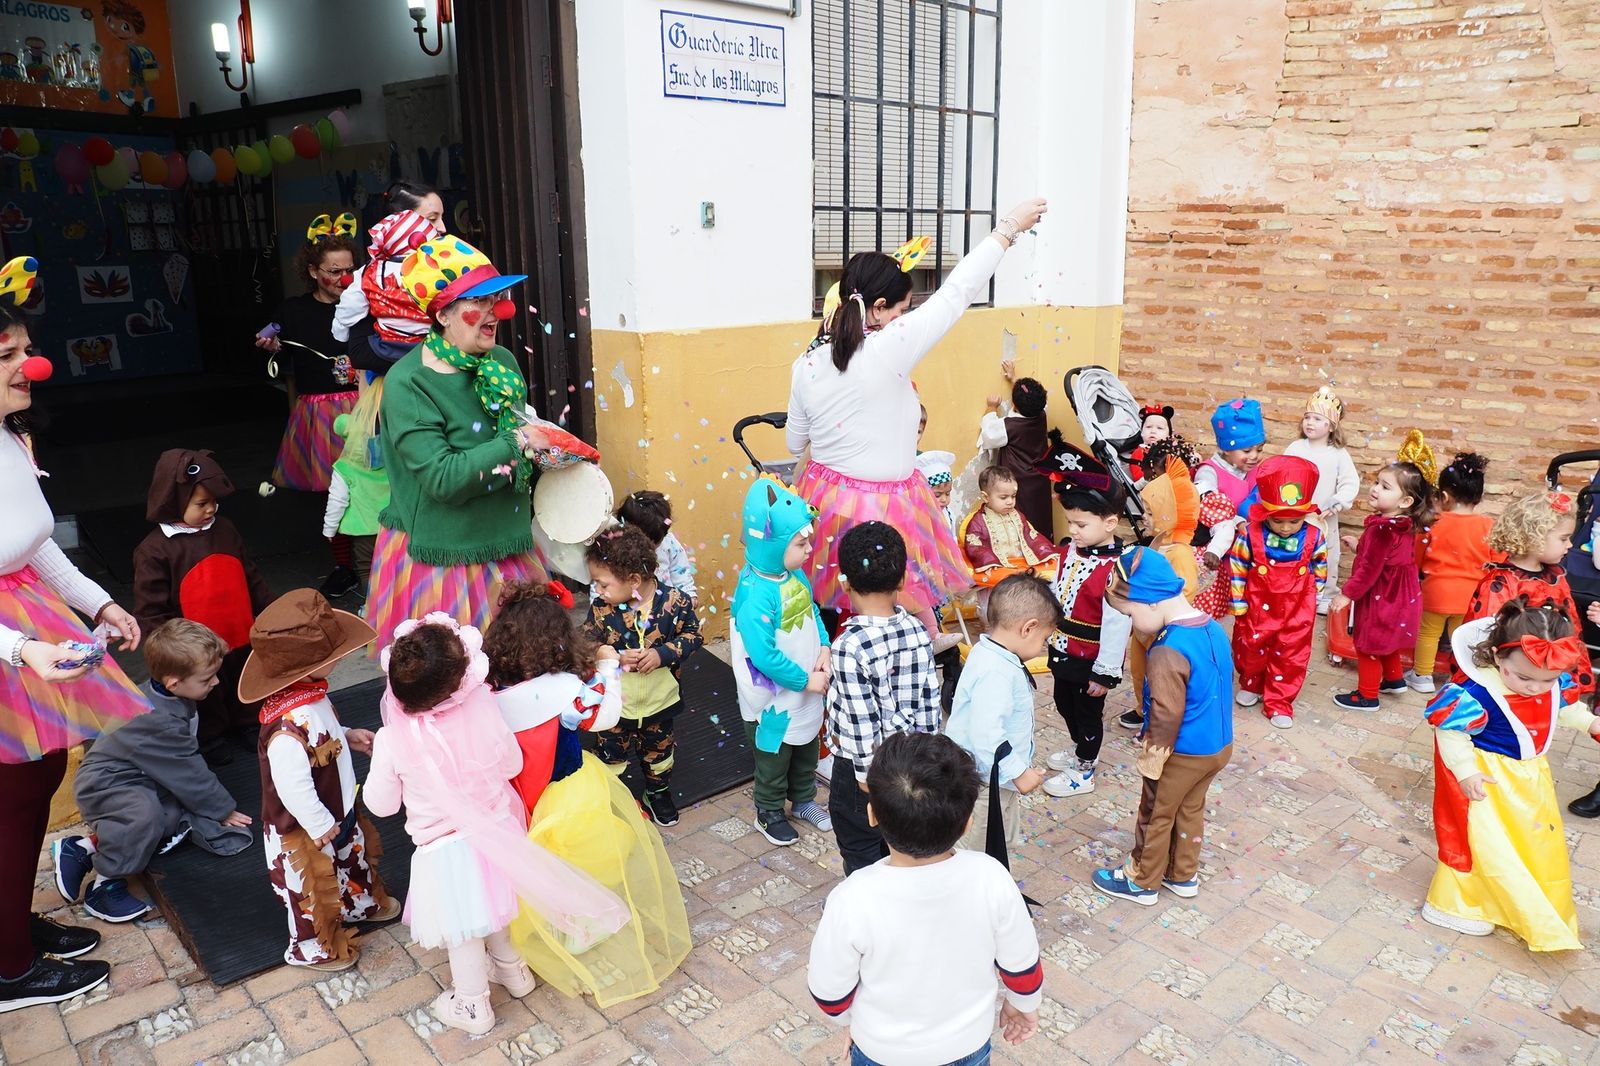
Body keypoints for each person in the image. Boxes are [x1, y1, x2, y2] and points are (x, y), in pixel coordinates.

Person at [786, 199, 1049, 644]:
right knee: (886, 616)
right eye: (902, 310)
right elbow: (956, 293)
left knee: (835, 615)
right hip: (884, 508)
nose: (904, 320)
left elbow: (796, 444)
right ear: (880, 307)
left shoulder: (807, 362)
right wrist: (1007, 229)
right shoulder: (890, 347)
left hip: (825, 501)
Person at [0, 257, 144, 1011]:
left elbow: (38, 542)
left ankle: (10, 934)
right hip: (7, 640)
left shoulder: (10, 435)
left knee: (34, 784)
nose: (32, 365)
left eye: (25, 349)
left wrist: (98, 603)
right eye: (8, 357)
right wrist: (20, 649)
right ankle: (10, 971)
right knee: (14, 794)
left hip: (29, 620)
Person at [484, 583, 691, 1006]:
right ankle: (583, 924)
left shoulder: (493, 696)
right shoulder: (565, 688)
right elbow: (606, 716)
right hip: (570, 792)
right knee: (586, 857)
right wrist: (608, 667)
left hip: (521, 795)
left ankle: (551, 928)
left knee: (539, 864)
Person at [807, 732, 1041, 1065]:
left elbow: (829, 993)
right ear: (967, 824)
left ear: (872, 815)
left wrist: (856, 1025)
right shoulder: (991, 878)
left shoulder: (852, 898)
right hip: (967, 1047)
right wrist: (1023, 1004)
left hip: (881, 1052)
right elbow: (1022, 964)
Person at [367, 236, 549, 651]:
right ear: (444, 314)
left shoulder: (500, 361)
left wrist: (550, 449)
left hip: (507, 541)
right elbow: (442, 478)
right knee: (456, 678)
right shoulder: (407, 382)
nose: (496, 311)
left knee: (520, 674)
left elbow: (515, 446)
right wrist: (519, 440)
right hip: (444, 554)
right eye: (478, 300)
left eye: (496, 297)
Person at [1421, 600, 1598, 950]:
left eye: (1546, 680)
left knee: (1528, 841)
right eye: (1524, 677)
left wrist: (1590, 722)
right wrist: (1466, 772)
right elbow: (1451, 734)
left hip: (1531, 780)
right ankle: (1459, 904)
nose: (1535, 688)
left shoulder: (1550, 683)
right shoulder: (1473, 693)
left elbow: (1565, 709)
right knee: (1482, 844)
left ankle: (1514, 897)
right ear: (1499, 657)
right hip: (1488, 782)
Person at [56, 620, 252, 924]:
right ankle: (105, 884)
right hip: (106, 783)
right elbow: (187, 771)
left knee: (172, 811)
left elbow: (180, 765)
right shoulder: (157, 719)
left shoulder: (170, 696)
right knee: (144, 816)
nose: (215, 683)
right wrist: (222, 809)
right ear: (174, 682)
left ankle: (84, 847)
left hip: (137, 774)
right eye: (207, 678)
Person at [243, 589, 397, 971]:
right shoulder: (284, 731)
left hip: (337, 810)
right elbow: (292, 786)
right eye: (333, 656)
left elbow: (322, 733)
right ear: (304, 668)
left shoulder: (310, 698)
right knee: (310, 889)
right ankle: (310, 947)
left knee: (351, 860)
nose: (341, 658)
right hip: (304, 831)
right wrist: (317, 824)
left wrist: (346, 734)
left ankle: (359, 905)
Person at [1092, 548, 1234, 905]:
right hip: (1217, 746)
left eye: (1130, 614)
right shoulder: (1212, 627)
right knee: (1190, 808)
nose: (1131, 624)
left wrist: (1152, 757)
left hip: (1181, 751)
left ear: (1151, 603)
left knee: (1156, 812)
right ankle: (1182, 873)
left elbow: (1166, 712)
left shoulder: (1166, 649)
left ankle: (1142, 880)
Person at [132, 448, 273, 761]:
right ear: (174, 500)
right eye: (201, 503)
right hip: (195, 647)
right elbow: (151, 609)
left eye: (214, 502)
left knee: (244, 679)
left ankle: (249, 722)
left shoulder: (225, 530)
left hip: (240, 630)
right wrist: (169, 651)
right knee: (205, 690)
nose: (211, 509)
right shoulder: (155, 551)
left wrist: (271, 611)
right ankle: (209, 737)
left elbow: (250, 576)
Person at [826, 523, 942, 875]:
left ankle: (866, 911)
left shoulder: (848, 646)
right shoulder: (918, 631)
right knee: (901, 845)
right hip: (909, 762)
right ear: (903, 580)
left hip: (859, 772)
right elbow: (929, 702)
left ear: (845, 583)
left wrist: (865, 782)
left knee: (860, 849)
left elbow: (861, 723)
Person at [730, 479, 834, 846]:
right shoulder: (757, 595)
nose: (810, 549)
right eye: (801, 543)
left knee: (806, 744)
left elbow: (812, 612)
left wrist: (823, 646)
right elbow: (763, 657)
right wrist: (806, 681)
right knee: (774, 755)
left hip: (807, 685)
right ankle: (769, 809)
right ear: (771, 544)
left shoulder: (793, 575)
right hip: (777, 698)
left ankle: (804, 798)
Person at [582, 527, 702, 827]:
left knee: (659, 754)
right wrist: (610, 654)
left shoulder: (675, 603)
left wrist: (663, 654)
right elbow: (584, 643)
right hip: (614, 706)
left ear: (634, 580)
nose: (598, 590)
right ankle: (614, 796)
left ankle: (657, 792)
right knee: (610, 754)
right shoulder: (601, 609)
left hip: (659, 703)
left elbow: (693, 635)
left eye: (603, 583)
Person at [1037, 436, 1130, 798]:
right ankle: (1080, 749)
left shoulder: (1114, 569)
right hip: (1063, 647)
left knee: (1087, 711)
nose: (1073, 531)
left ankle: (1085, 768)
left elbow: (1118, 623)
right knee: (1064, 702)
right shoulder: (1071, 551)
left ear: (1110, 523)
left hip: (1090, 658)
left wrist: (1105, 672)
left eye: (1081, 524)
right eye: (1070, 523)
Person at [946, 574, 1060, 854]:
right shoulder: (996, 671)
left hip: (994, 781)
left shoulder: (988, 653)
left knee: (1000, 841)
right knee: (978, 852)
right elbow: (987, 734)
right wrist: (1019, 772)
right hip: (984, 784)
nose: (1044, 645)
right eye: (1045, 638)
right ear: (1028, 628)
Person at [256, 214, 362, 502]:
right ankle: (339, 545)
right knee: (331, 496)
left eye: (350, 270)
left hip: (362, 403)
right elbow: (272, 339)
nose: (345, 279)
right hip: (317, 414)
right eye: (335, 271)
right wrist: (271, 344)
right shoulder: (293, 310)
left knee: (366, 487)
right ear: (314, 271)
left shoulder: (362, 306)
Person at [1331, 433, 1435, 710]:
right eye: (1378, 482)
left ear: (1405, 502)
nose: (1375, 488)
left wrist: (1346, 595)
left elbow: (1369, 569)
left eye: (1385, 486)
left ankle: (1367, 695)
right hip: (1401, 599)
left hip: (1381, 600)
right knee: (1387, 641)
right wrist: (1358, 544)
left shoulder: (1380, 530)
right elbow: (1387, 558)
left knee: (1369, 646)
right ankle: (1393, 679)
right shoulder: (1403, 525)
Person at [1228, 455, 1327, 728]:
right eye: (1278, 521)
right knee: (1251, 645)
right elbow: (1237, 565)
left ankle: (1279, 702)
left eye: (1293, 522)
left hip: (1297, 608)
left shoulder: (1315, 536)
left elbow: (1319, 565)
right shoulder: (1249, 534)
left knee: (1291, 654)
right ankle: (1252, 682)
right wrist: (1238, 602)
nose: (1285, 528)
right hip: (1258, 603)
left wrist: (1313, 594)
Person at [1123, 448, 1203, 729]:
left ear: (1168, 514)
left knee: (1159, 677)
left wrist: (1154, 616)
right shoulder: (1157, 545)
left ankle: (1158, 719)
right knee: (1139, 671)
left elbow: (1184, 592)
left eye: (1149, 511)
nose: (1143, 517)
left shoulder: (1179, 553)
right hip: (1144, 628)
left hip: (1162, 631)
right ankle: (1142, 709)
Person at [333, 181, 446, 370]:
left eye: (442, 217)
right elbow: (359, 354)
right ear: (399, 221)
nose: (442, 228)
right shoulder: (371, 274)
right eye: (432, 219)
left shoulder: (449, 266)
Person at [1408, 453, 1493, 694]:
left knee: (1428, 633)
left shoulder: (1433, 522)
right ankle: (1459, 677)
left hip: (1437, 590)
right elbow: (1497, 560)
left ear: (1444, 496)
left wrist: (1416, 572)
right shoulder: (1487, 525)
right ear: (1478, 497)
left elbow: (1417, 555)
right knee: (1463, 637)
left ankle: (1422, 676)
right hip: (1471, 595)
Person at [1283, 387, 1360, 613]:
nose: (1310, 423)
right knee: (1293, 552)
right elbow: (1282, 473)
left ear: (1331, 425)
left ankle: (1324, 596)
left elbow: (1349, 483)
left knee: (1328, 554)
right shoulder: (1295, 448)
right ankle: (1293, 592)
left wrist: (1336, 502)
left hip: (1325, 517)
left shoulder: (1338, 454)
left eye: (1317, 419)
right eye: (1307, 417)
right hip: (1295, 514)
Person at [978, 360, 1054, 538]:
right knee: (1038, 515)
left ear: (1015, 404)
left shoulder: (1009, 426)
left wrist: (991, 407)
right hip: (1039, 479)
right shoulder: (1041, 414)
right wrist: (1014, 380)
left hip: (1019, 479)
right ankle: (1041, 544)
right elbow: (1029, 400)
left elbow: (989, 434)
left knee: (1019, 517)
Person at [321, 411, 390, 598]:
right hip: (393, 528)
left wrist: (330, 529)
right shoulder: (391, 462)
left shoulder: (345, 467)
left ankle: (371, 608)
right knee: (392, 569)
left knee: (366, 569)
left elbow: (337, 500)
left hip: (364, 532)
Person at [960, 466, 1059, 594]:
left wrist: (1046, 550)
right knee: (998, 580)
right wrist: (990, 563)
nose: (1010, 502)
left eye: (1013, 496)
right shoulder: (978, 521)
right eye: (1003, 497)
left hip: (1024, 563)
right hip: (998, 568)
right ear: (985, 497)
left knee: (1051, 570)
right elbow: (976, 547)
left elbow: (1031, 535)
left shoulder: (1018, 516)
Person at [614, 490, 696, 600]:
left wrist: (690, 598)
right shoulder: (614, 550)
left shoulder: (669, 544)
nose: (648, 550)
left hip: (667, 609)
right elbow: (602, 584)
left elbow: (683, 579)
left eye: (654, 545)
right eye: (643, 545)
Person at [1125, 402, 1174, 484]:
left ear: (1169, 434)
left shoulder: (1171, 450)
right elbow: (1138, 477)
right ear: (1141, 432)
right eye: (1148, 427)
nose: (1153, 431)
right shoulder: (1140, 453)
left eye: (1160, 428)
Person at [914, 450, 958, 534]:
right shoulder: (918, 517)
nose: (944, 499)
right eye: (937, 495)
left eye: (947, 493)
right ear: (923, 493)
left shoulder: (949, 515)